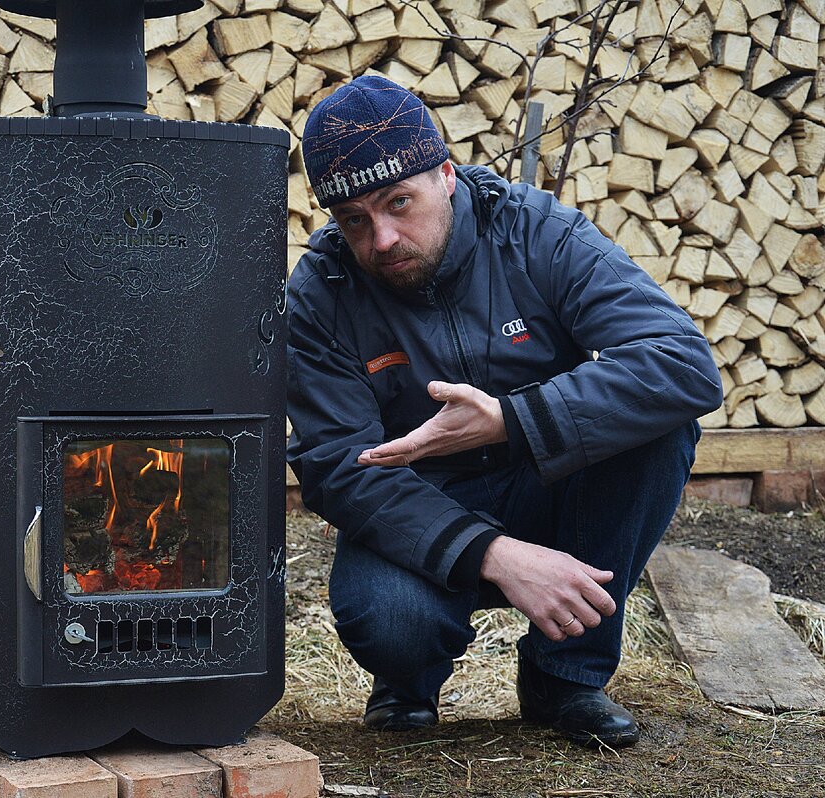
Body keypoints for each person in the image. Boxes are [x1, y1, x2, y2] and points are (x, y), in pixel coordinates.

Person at [286, 75, 724, 748]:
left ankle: (566, 678)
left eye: (399, 202)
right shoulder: (320, 294)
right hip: (422, 504)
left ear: (447, 175)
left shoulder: (538, 232)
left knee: (659, 429)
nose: (382, 239)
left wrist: (512, 420)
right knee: (392, 624)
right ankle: (408, 681)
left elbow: (683, 366)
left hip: (548, 475)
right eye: (354, 221)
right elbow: (340, 469)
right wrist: (493, 552)